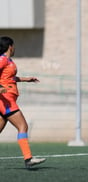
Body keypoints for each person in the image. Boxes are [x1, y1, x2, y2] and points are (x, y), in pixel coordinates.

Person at [0, 36, 46, 169]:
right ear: (10, 46)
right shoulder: (2, 59)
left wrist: (26, 79)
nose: (15, 48)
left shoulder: (8, 60)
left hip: (8, 99)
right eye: (14, 46)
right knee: (23, 126)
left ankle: (28, 159)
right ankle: (28, 159)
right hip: (6, 100)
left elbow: (9, 77)